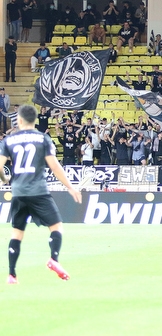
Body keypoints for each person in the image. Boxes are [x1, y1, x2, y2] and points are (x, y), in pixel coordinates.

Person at [0, 104, 83, 284]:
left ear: (19, 120)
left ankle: (12, 275)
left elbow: (0, 167)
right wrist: (70, 187)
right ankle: (53, 258)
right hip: (38, 191)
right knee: (56, 226)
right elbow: (54, 166)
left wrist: (5, 178)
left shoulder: (9, 140)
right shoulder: (43, 138)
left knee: (17, 233)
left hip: (18, 192)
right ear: (35, 120)